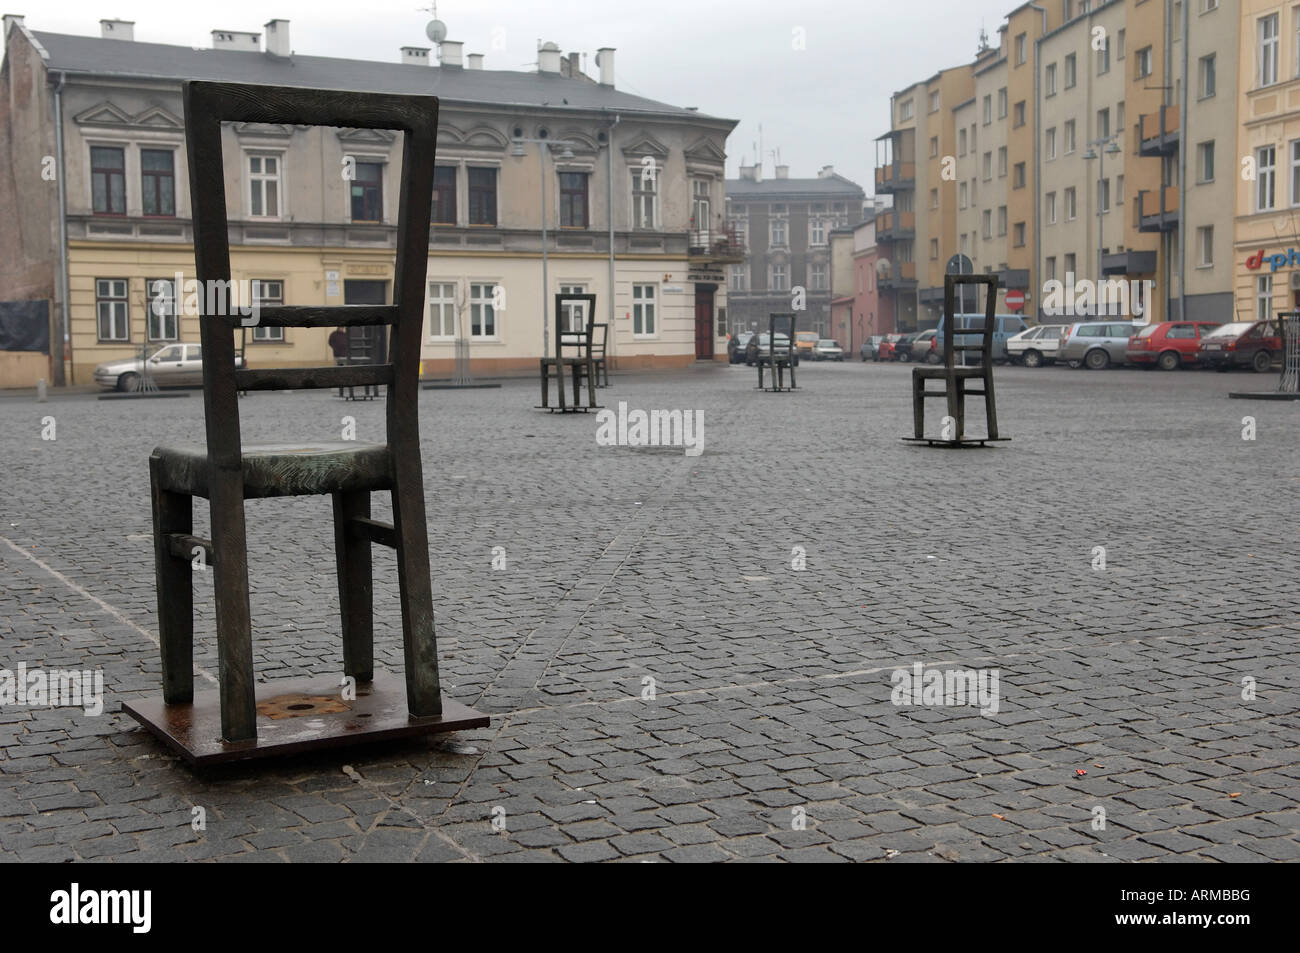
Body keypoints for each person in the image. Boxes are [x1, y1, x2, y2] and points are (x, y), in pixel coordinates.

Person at [328, 327, 348, 397]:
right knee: (337, 370)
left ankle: (344, 384)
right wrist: (335, 348)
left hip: (344, 355)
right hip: (337, 355)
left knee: (344, 370)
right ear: (338, 328)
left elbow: (347, 343)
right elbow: (330, 342)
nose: (342, 329)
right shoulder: (333, 334)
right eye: (341, 328)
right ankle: (337, 385)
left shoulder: (345, 334)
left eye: (343, 328)